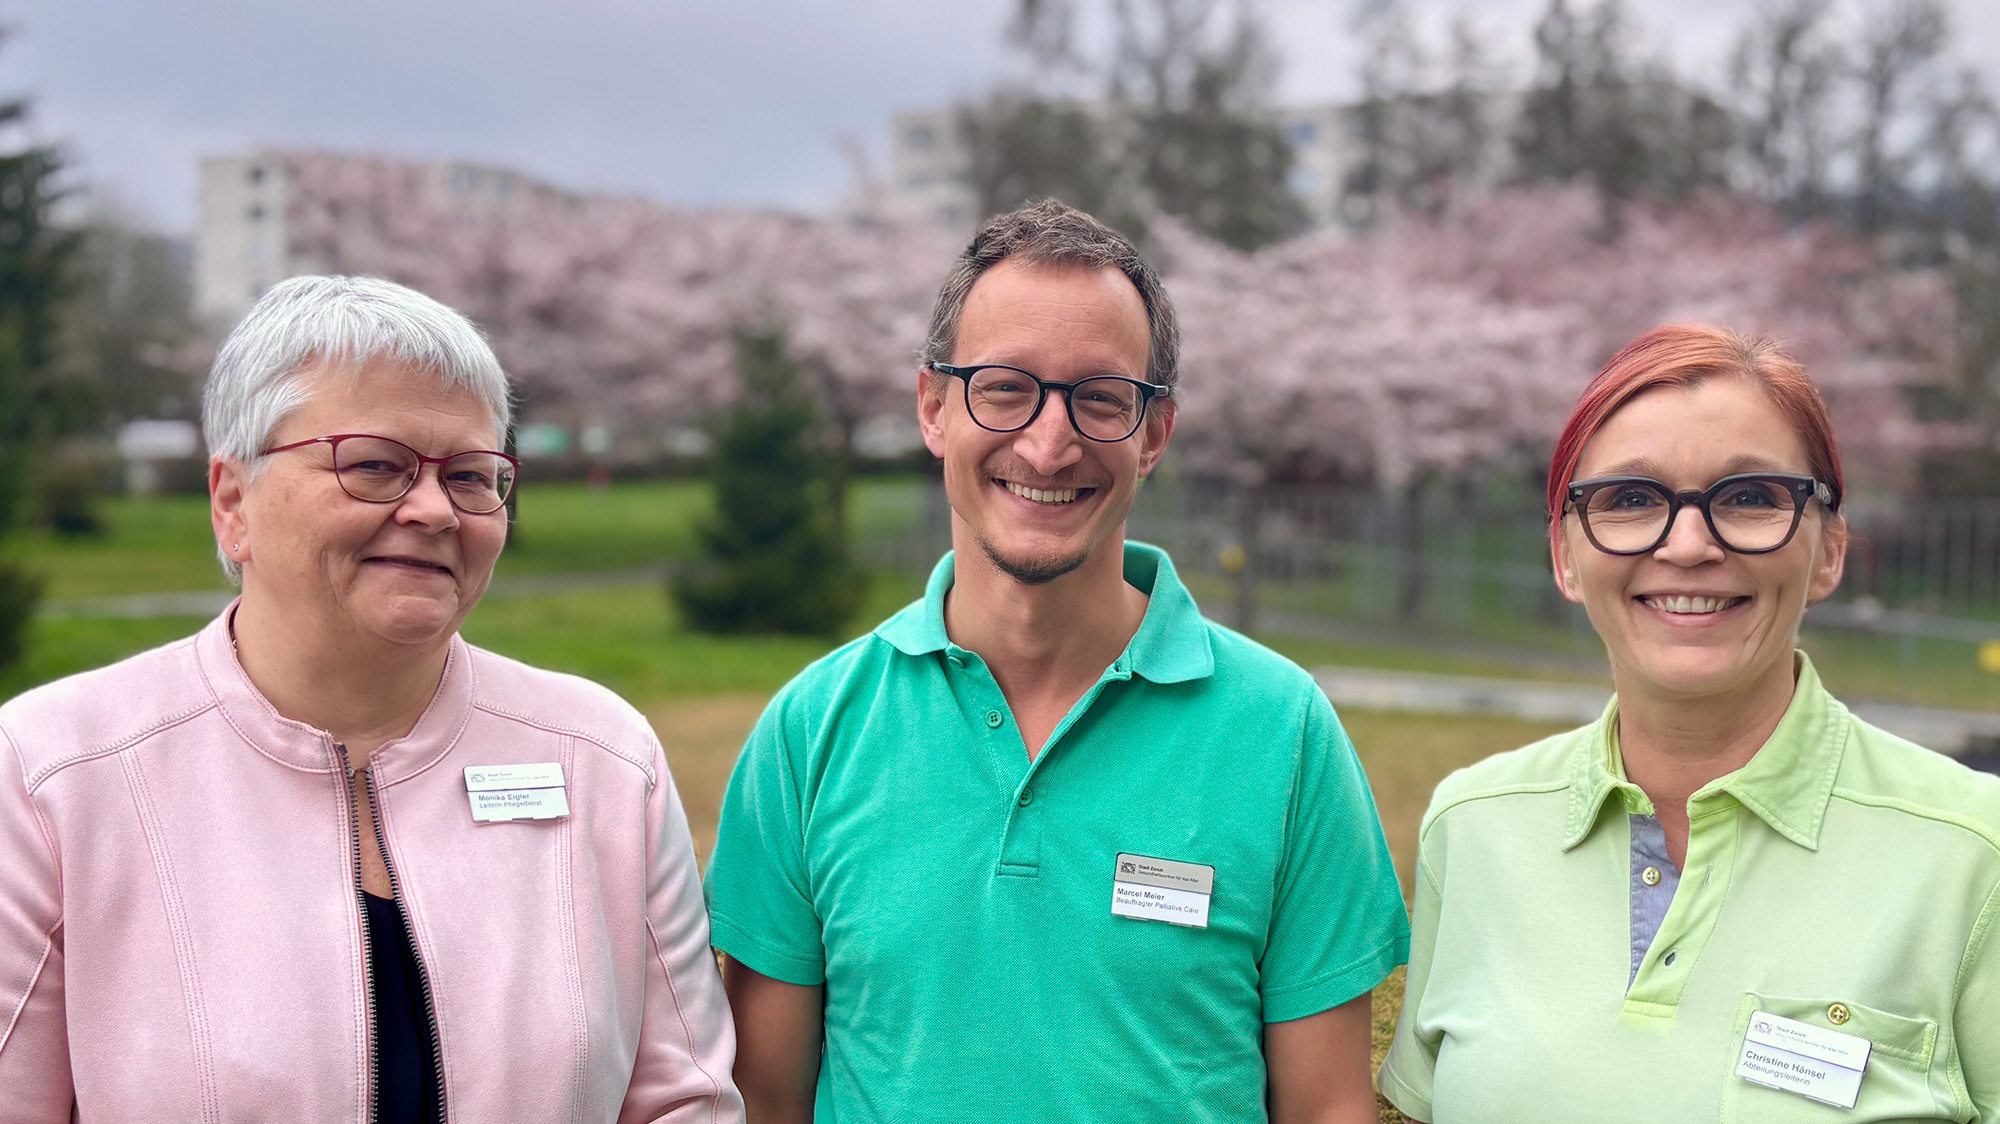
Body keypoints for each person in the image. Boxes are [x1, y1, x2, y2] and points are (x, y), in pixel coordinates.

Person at [704, 199, 1410, 1123]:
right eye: (1004, 387)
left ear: (1154, 433)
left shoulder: (1286, 732)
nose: (1049, 441)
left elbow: (1327, 1110)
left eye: (1100, 398)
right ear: (933, 408)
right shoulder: (811, 731)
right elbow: (765, 1102)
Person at [0, 276, 743, 1122]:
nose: (433, 509)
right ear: (232, 501)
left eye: (470, 475)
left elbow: (684, 1103)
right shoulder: (52, 776)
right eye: (377, 465)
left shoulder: (604, 759)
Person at [1377, 324, 2000, 1123]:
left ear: (1831, 552)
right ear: (1565, 558)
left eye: (1749, 497)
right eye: (1631, 500)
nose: (1690, 543)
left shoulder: (1973, 855)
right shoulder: (1472, 826)